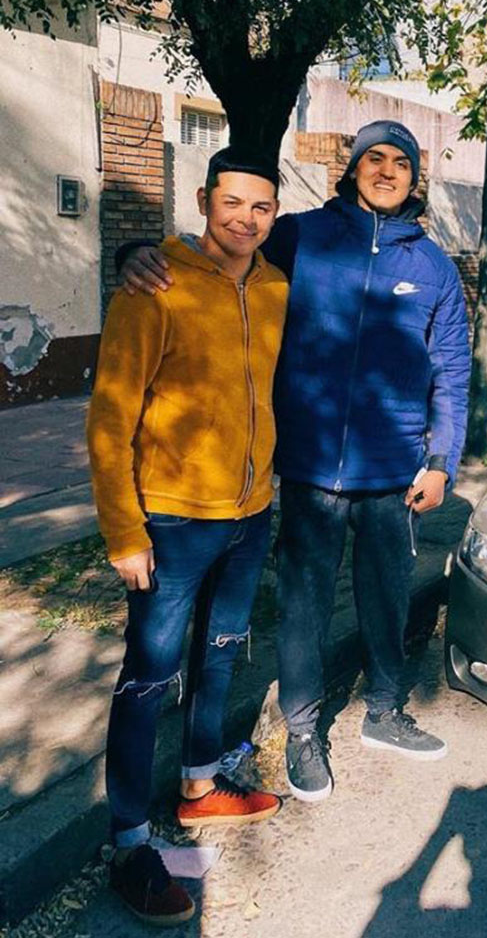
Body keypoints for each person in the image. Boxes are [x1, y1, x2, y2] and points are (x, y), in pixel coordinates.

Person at [119, 120, 471, 804]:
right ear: (354, 166)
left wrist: (440, 459)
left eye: (402, 161)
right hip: (307, 468)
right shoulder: (301, 235)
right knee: (305, 607)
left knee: (387, 595)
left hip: (394, 472)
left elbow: (450, 370)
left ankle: (386, 710)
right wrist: (136, 251)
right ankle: (304, 731)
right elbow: (219, 254)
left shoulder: (432, 267)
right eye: (376, 158)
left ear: (413, 176)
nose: (387, 170)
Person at [88, 149, 288, 925]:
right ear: (203, 199)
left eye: (261, 207)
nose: (245, 218)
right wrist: (123, 530)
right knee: (148, 677)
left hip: (249, 513)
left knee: (223, 649)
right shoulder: (155, 285)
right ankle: (130, 841)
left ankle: (201, 784)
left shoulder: (274, 285)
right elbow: (110, 413)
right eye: (231, 202)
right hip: (169, 521)